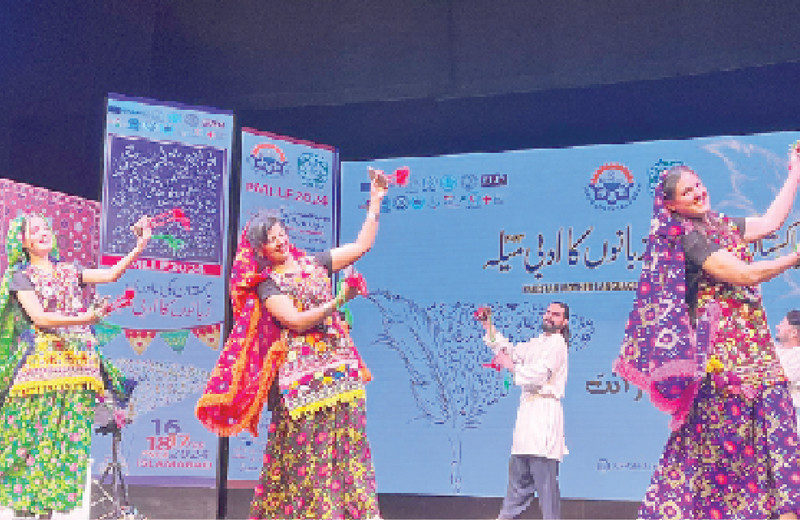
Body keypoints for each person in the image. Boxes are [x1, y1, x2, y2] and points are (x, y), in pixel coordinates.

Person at [614, 156, 800, 519]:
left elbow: (771, 222)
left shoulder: (722, 224)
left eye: (697, 184)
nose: (698, 193)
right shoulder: (688, 238)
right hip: (723, 359)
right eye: (687, 191)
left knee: (779, 432)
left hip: (758, 350)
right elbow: (744, 274)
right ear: (671, 204)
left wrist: (795, 173)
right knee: (718, 449)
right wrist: (794, 258)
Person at [197, 170, 388, 519]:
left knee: (349, 450)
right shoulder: (266, 285)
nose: (280, 240)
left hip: (340, 372)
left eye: (281, 233)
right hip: (302, 383)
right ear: (261, 251)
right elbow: (296, 321)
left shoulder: (315, 263)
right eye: (271, 239)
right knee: (306, 460)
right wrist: (338, 301)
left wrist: (375, 201)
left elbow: (362, 246)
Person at [0, 213, 151, 519]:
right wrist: (85, 319)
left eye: (45, 227)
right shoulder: (20, 275)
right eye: (34, 230)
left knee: (66, 446)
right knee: (32, 443)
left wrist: (139, 245)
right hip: (39, 371)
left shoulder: (69, 270)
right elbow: (40, 319)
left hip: (79, 370)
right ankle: (24, 512)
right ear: (24, 241)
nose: (43, 232)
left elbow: (110, 276)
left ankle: (48, 513)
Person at [478, 301, 570, 520]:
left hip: (544, 421)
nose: (549, 316)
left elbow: (539, 374)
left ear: (564, 322)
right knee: (516, 489)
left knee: (547, 492)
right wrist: (488, 327)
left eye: (555, 314)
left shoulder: (557, 344)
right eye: (547, 312)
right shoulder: (537, 343)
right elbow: (509, 351)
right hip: (526, 422)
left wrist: (512, 367)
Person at [776, 310, 800, 431]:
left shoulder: (797, 356)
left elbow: (781, 378)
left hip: (788, 419)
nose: (777, 326)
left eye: (782, 323)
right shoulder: (775, 349)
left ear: (793, 332)